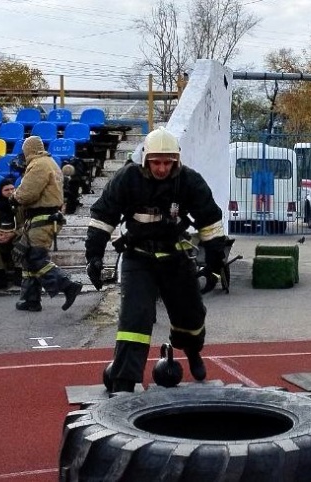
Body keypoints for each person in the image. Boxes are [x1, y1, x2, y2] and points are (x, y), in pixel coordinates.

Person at [84, 127, 227, 393]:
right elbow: (103, 216)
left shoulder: (189, 181)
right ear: (146, 159)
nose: (162, 168)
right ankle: (125, 381)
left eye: (167, 162)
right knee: (135, 318)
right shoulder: (127, 178)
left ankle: (193, 352)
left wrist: (215, 261)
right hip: (138, 257)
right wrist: (93, 256)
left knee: (191, 314)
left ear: (176, 160)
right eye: (156, 162)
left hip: (175, 256)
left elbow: (211, 221)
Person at [10, 136, 82, 312]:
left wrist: (14, 197)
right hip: (43, 218)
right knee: (29, 258)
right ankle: (30, 299)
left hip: (41, 218)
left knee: (36, 258)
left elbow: (27, 193)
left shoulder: (39, 165)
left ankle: (67, 285)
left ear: (29, 150)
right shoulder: (49, 162)